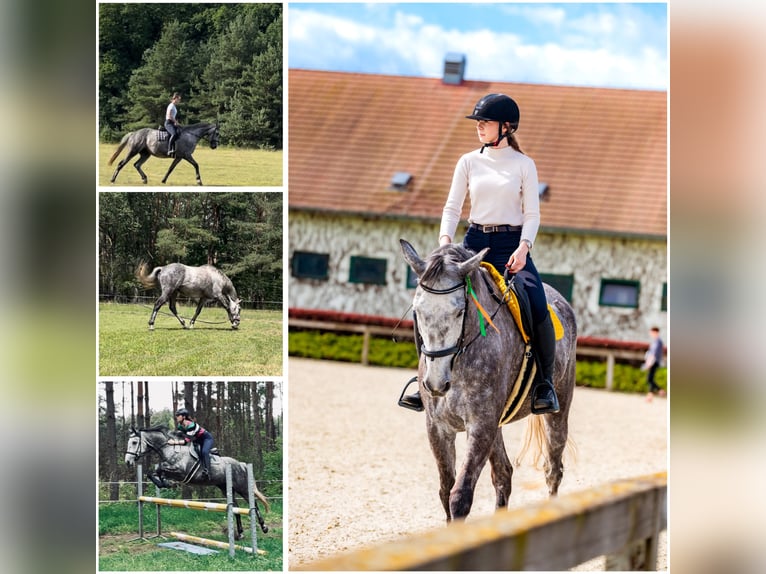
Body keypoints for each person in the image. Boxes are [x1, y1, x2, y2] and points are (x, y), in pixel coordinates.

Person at [401, 93, 559, 415]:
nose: (479, 127)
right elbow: (452, 207)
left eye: (485, 123)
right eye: (478, 123)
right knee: (430, 299)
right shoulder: (468, 161)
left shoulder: (524, 165)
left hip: (511, 245)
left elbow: (532, 215)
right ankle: (421, 381)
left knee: (536, 302)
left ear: (506, 126)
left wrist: (524, 248)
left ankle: (544, 383)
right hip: (471, 243)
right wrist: (445, 241)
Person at [170, 407, 214, 478]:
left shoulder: (191, 425)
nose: (176, 417)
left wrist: (174, 442)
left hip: (206, 439)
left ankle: (208, 472)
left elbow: (186, 441)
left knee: (204, 452)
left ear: (184, 417)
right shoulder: (180, 426)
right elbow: (180, 435)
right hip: (197, 440)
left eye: (178, 416)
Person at [642, 326, 666, 400]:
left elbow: (654, 353)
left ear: (655, 332)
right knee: (651, 378)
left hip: (654, 361)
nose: (651, 334)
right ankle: (650, 396)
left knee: (649, 379)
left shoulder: (657, 341)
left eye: (651, 332)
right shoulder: (656, 341)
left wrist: (649, 363)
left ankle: (660, 390)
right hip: (654, 361)